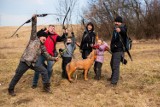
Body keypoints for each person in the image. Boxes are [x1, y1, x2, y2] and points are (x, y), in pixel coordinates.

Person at [8, 15, 58, 96]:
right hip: (25, 61)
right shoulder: (33, 38)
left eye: (46, 38)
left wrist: (54, 58)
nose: (45, 38)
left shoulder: (43, 47)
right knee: (18, 74)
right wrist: (34, 20)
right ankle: (10, 89)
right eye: (43, 37)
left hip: (34, 64)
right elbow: (34, 28)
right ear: (40, 37)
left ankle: (46, 87)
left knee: (44, 71)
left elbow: (47, 56)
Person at [110, 16, 127, 86]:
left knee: (115, 66)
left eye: (118, 22)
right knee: (112, 64)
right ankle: (113, 77)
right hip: (114, 50)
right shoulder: (114, 29)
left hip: (119, 50)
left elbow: (124, 31)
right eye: (116, 21)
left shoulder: (123, 27)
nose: (117, 23)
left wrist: (120, 30)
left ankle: (114, 82)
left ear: (121, 22)